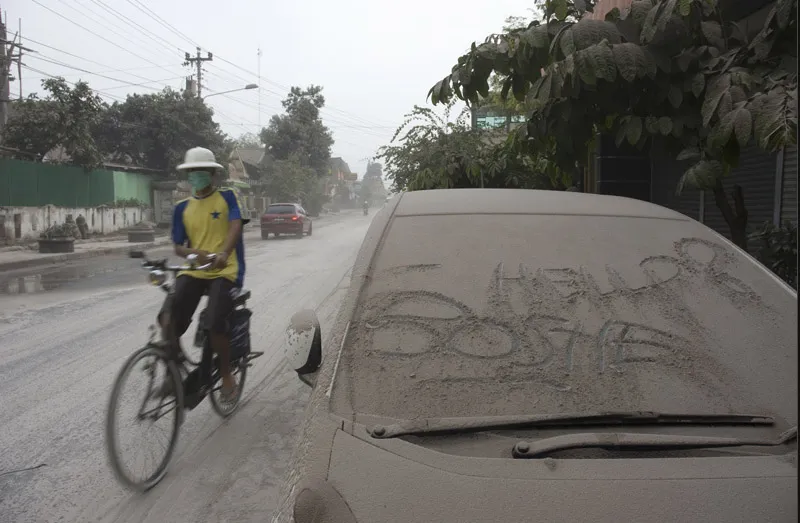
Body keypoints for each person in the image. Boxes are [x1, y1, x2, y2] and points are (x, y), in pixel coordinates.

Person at [160, 147, 248, 403]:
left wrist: (222, 253)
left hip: (226, 269)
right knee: (168, 317)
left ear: (212, 174)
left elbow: (235, 226)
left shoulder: (231, 196)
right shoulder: (181, 208)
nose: (195, 176)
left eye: (200, 171)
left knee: (214, 322)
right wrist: (197, 254)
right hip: (196, 270)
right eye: (191, 172)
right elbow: (178, 246)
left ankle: (226, 377)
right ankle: (172, 371)